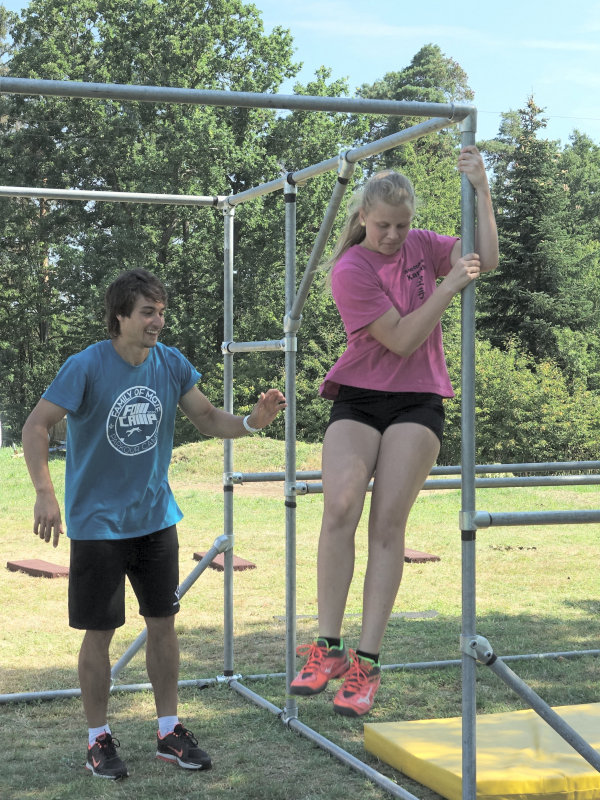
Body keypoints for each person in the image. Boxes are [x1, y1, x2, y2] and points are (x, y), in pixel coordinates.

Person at [22, 268, 286, 779]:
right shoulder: (86, 366)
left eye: (162, 311)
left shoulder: (170, 363)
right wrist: (44, 493)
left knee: (163, 625)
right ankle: (98, 739)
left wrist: (252, 422)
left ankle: (169, 732)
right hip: (98, 525)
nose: (158, 321)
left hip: (155, 519)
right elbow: (37, 424)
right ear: (120, 316)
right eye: (148, 312)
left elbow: (207, 418)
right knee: (100, 632)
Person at [290, 145, 498, 717]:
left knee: (387, 525)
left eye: (402, 225)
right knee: (339, 509)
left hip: (419, 399)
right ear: (362, 216)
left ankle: (367, 663)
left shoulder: (421, 244)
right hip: (359, 397)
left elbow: (485, 259)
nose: (392, 235)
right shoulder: (350, 269)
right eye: (383, 225)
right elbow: (402, 339)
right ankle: (327, 646)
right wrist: (448, 287)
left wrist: (482, 190)